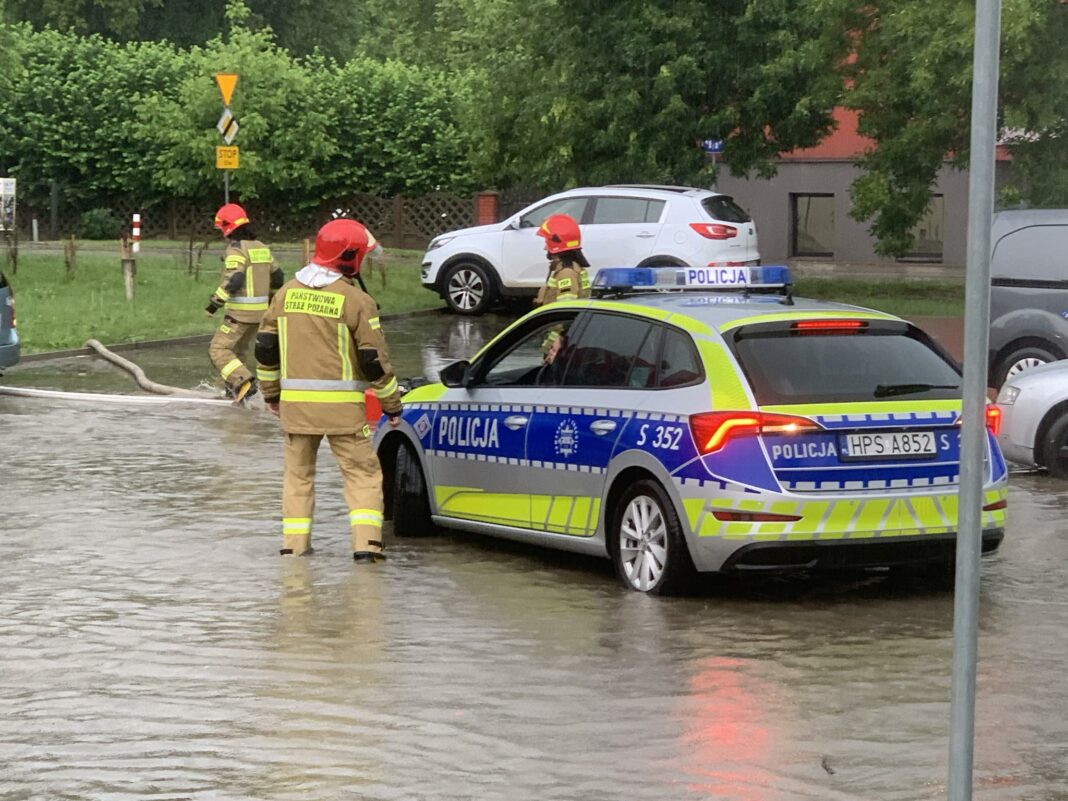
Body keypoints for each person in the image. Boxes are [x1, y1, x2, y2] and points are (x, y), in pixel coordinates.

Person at [255, 218, 403, 562]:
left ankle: (294, 547)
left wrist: (271, 394)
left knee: (297, 477)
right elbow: (373, 361)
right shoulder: (356, 300)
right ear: (351, 257)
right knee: (362, 475)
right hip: (344, 414)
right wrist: (392, 406)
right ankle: (366, 548)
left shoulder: (285, 294)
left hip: (296, 409)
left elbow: (265, 349)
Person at [206, 203, 284, 403]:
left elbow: (235, 279)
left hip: (239, 315)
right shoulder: (261, 247)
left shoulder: (236, 250)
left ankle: (243, 382)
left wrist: (214, 304)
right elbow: (278, 276)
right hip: (261, 315)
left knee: (219, 349)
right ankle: (234, 393)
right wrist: (270, 300)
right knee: (237, 352)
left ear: (227, 228)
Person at [533, 213, 592, 307]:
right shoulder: (566, 268)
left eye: (547, 243)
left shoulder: (567, 273)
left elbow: (565, 307)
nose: (545, 248)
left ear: (556, 244)